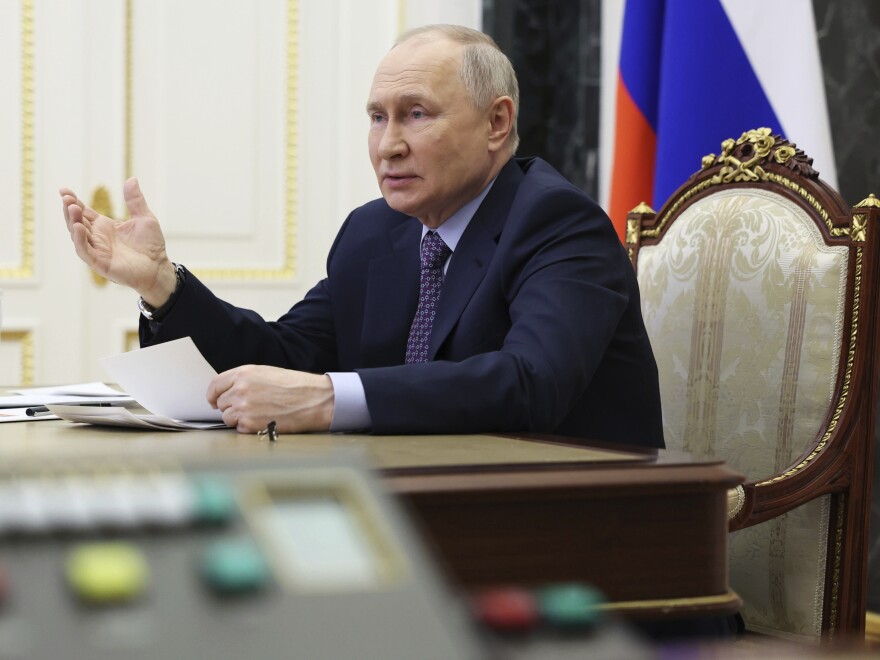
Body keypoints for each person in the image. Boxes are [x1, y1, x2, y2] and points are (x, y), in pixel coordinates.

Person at [60, 24, 663, 448]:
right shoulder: (375, 232)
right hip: (421, 518)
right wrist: (163, 285)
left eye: (416, 114)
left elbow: (530, 383)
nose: (388, 144)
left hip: (580, 536)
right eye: (377, 117)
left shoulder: (558, 222)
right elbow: (285, 360)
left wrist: (328, 399)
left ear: (497, 123)